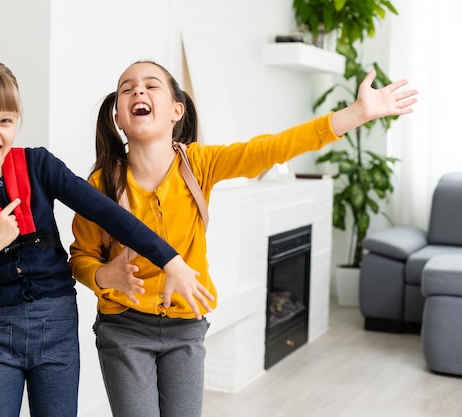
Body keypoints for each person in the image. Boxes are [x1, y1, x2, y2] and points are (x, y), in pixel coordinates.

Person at [69, 60, 418, 417]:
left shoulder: (199, 164)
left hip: (186, 328)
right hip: (123, 330)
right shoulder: (100, 185)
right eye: (127, 88)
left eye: (150, 85)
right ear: (118, 118)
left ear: (177, 110)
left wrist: (356, 114)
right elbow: (80, 257)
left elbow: (273, 148)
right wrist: (102, 276)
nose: (138, 91)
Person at [0, 60, 205, 417]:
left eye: (5, 120)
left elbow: (109, 214)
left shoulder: (39, 166)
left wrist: (170, 259)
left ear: (17, 122)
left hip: (56, 327)